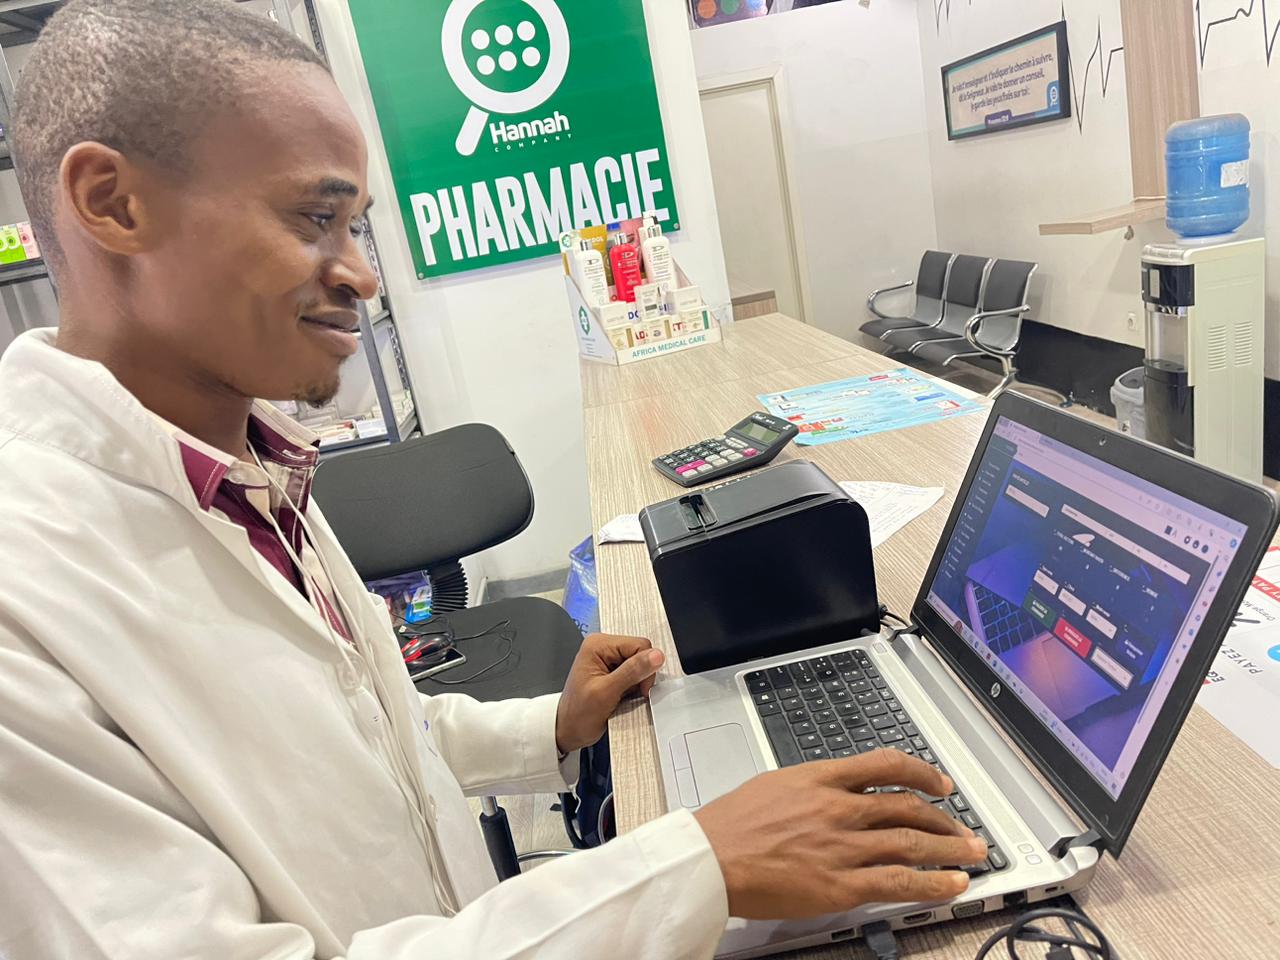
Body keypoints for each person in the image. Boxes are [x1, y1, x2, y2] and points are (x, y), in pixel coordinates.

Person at [0, 2, 986, 958]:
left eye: (357, 228)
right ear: (113, 203)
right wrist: (692, 868)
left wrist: (546, 725)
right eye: (315, 218)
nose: (359, 274)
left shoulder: (251, 468)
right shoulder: (25, 597)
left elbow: (362, 735)